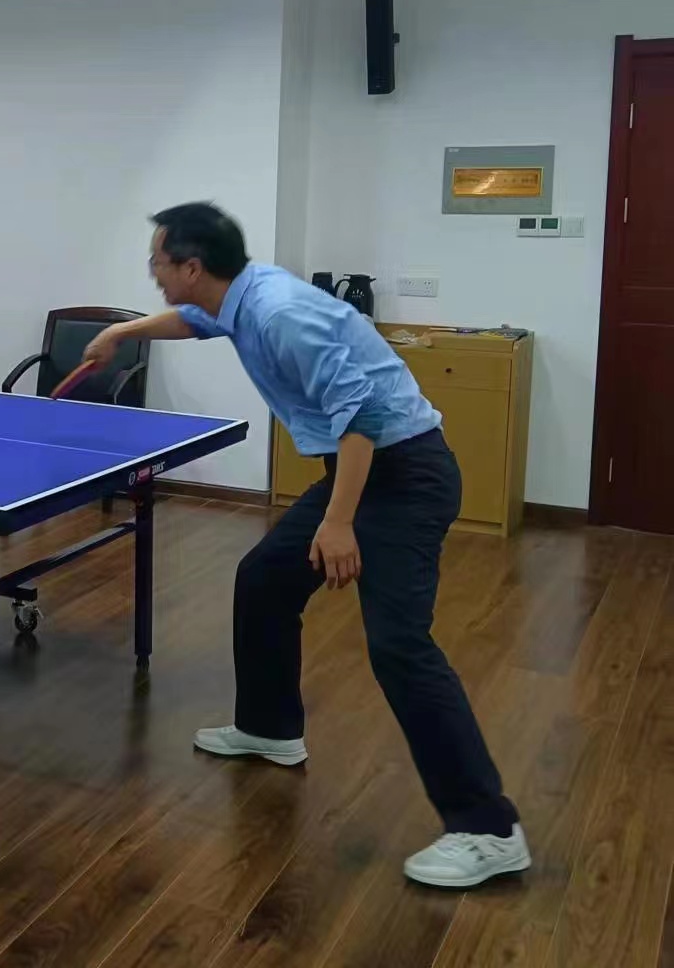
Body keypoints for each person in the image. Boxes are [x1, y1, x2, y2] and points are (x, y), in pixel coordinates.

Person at [85, 202, 529, 889]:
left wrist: (339, 522)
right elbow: (195, 320)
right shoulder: (238, 296)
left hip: (401, 474)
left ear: (192, 267)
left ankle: (489, 829)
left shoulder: (280, 314)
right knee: (264, 580)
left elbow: (362, 420)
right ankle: (270, 729)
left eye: (158, 264)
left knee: (400, 648)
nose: (154, 275)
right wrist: (124, 330)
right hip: (365, 467)